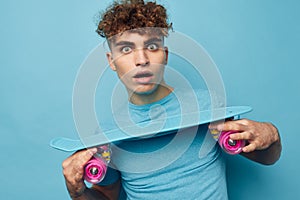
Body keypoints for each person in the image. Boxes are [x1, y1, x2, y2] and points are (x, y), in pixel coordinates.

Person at [62, 0, 282, 199]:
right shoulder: (107, 135)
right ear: (112, 61)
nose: (141, 60)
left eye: (151, 46)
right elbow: (107, 196)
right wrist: (78, 192)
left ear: (164, 55)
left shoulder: (207, 106)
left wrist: (271, 134)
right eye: (126, 49)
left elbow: (268, 158)